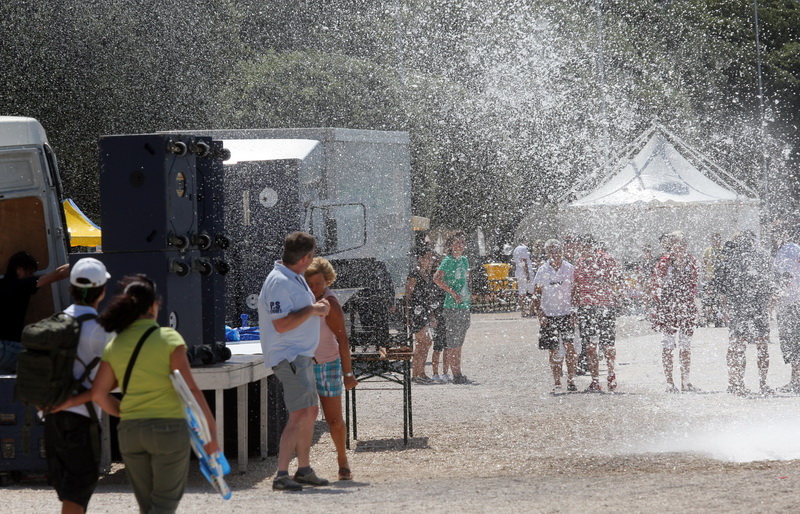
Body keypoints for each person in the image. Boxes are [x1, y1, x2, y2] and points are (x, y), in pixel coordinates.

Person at [90, 274, 219, 513]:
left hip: (130, 431)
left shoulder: (115, 344)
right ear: (153, 306)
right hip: (168, 429)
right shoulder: (169, 338)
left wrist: (124, 412)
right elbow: (191, 388)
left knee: (148, 506)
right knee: (164, 505)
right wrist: (211, 433)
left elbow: (98, 393)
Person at [258, 231, 331, 491]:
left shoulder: (293, 276)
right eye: (312, 256)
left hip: (300, 356)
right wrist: (313, 309)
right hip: (288, 356)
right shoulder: (279, 281)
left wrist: (315, 308)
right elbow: (281, 325)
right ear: (305, 257)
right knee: (300, 413)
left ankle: (304, 470)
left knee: (309, 412)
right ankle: (281, 475)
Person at [45, 258, 113, 514]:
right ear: (102, 291)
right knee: (77, 493)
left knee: (69, 493)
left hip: (51, 418)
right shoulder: (102, 330)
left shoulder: (53, 323)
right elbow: (113, 379)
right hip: (82, 420)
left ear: (70, 288)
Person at [303, 257, 358, 481]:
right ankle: (304, 466)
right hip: (304, 365)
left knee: (334, 420)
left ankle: (342, 459)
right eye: (309, 283)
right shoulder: (301, 299)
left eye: (318, 283)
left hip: (328, 364)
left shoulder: (330, 303)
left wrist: (348, 373)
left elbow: (343, 339)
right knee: (304, 418)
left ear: (327, 281)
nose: (313, 287)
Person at [715, 232, 776, 396]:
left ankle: (741, 384)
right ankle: (754, 384)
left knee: (741, 346)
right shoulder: (756, 257)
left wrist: (726, 309)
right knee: (754, 345)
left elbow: (722, 289)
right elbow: (770, 283)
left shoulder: (733, 259)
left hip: (743, 307)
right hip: (751, 307)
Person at [0, 251, 69, 373]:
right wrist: (83, 262)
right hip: (7, 347)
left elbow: (58, 272)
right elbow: (60, 274)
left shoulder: (2, 284)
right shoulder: (22, 284)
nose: (32, 276)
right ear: (20, 270)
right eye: (31, 272)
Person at [651, 232, 699, 393]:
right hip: (668, 310)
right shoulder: (663, 263)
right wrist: (660, 308)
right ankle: (670, 382)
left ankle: (685, 381)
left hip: (686, 308)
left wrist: (692, 303)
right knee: (668, 346)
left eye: (682, 244)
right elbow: (656, 287)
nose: (680, 247)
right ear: (671, 246)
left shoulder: (691, 261)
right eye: (676, 244)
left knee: (685, 346)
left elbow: (694, 285)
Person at [573, 236, 622, 392]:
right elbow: (576, 286)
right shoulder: (580, 262)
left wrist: (604, 287)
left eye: (584, 247)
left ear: (591, 247)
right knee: (590, 346)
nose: (582, 250)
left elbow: (617, 281)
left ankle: (610, 375)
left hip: (604, 306)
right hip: (588, 307)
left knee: (607, 344)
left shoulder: (607, 260)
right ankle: (596, 380)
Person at [533, 239, 577, 392]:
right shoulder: (542, 270)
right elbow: (536, 294)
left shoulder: (569, 268)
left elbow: (575, 292)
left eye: (557, 251)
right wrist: (540, 314)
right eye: (551, 251)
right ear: (547, 253)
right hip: (549, 314)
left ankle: (571, 380)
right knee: (553, 349)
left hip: (566, 313)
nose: (555, 254)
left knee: (570, 348)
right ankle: (557, 382)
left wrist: (574, 311)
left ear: (562, 252)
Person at [433, 231, 472, 384]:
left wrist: (469, 295)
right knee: (452, 342)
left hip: (464, 305)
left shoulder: (464, 260)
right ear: (450, 246)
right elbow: (436, 278)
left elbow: (466, 280)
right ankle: (456, 374)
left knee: (459, 342)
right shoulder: (447, 261)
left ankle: (458, 372)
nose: (460, 246)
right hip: (452, 306)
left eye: (462, 243)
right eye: (457, 243)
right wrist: (452, 292)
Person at [773, 223, 800, 394]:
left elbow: (786, 276)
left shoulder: (787, 249)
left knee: (792, 343)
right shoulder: (796, 248)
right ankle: (796, 380)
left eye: (775, 233)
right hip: (796, 300)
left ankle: (795, 381)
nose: (773, 237)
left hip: (789, 302)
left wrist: (777, 297)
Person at [405, 244, 438, 383]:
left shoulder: (427, 275)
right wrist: (407, 314)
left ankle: (419, 373)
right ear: (420, 258)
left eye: (431, 258)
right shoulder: (414, 274)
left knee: (424, 343)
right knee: (423, 342)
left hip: (424, 311)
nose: (430, 260)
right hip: (416, 312)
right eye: (427, 257)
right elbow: (408, 295)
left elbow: (428, 296)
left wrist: (432, 314)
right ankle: (417, 374)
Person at [701, 232, 724, 327]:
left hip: (720, 278)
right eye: (714, 239)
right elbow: (704, 262)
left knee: (719, 299)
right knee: (709, 299)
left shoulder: (723, 250)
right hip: (710, 277)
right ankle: (707, 318)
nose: (716, 241)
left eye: (717, 239)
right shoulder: (708, 250)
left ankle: (719, 318)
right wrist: (705, 273)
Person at [511, 242, 535, 317]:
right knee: (534, 292)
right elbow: (524, 262)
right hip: (525, 274)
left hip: (519, 273)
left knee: (521, 293)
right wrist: (527, 274)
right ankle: (531, 310)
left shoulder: (516, 249)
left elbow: (516, 262)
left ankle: (523, 311)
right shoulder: (523, 249)